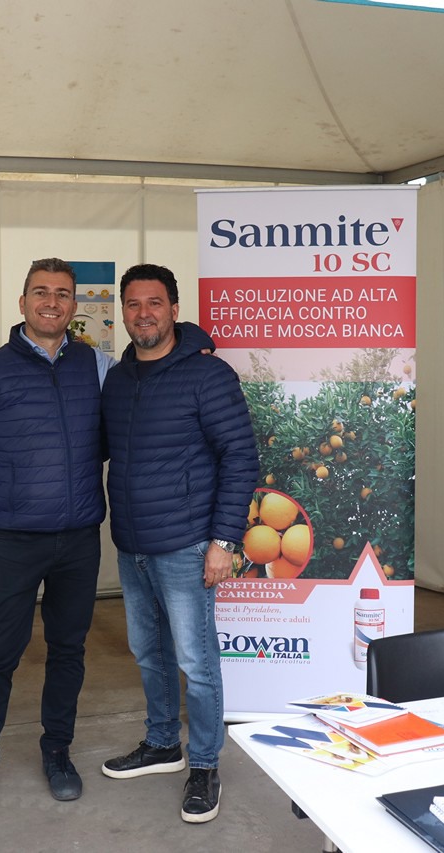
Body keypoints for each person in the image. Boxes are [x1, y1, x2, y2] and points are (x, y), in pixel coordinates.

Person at [0, 258, 114, 824]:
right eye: (41, 292)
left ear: (74, 306)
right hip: (15, 541)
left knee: (68, 651)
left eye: (62, 294)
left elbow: (155, 368)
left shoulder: (98, 365)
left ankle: (57, 752)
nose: (51, 302)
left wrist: (193, 343)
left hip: (79, 539)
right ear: (22, 303)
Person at [99, 263, 258, 824]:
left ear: (174, 309)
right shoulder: (119, 379)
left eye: (154, 303)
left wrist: (223, 540)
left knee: (196, 659)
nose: (143, 314)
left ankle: (205, 764)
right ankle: (163, 743)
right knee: (149, 653)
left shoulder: (208, 375)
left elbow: (240, 457)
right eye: (133, 304)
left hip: (188, 544)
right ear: (123, 312)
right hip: (133, 544)